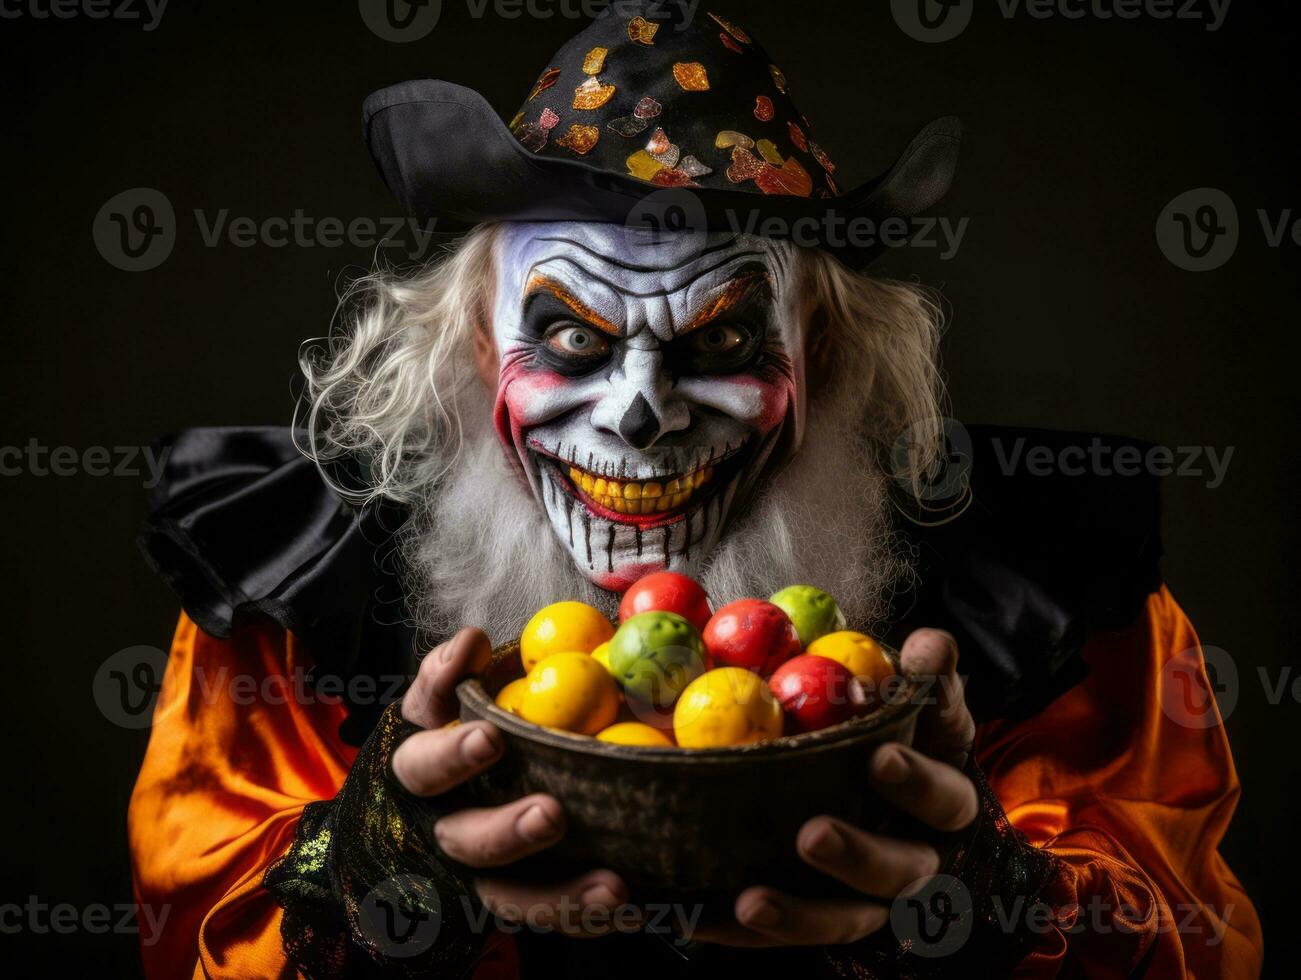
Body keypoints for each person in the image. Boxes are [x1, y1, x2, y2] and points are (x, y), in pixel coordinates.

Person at [128, 3, 1262, 977]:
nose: (638, 412)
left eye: (721, 342)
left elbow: (1192, 945)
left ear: (820, 350)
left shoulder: (1052, 590)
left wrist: (978, 894)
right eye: (569, 334)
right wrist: (381, 868)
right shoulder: (289, 591)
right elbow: (198, 934)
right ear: (480, 343)